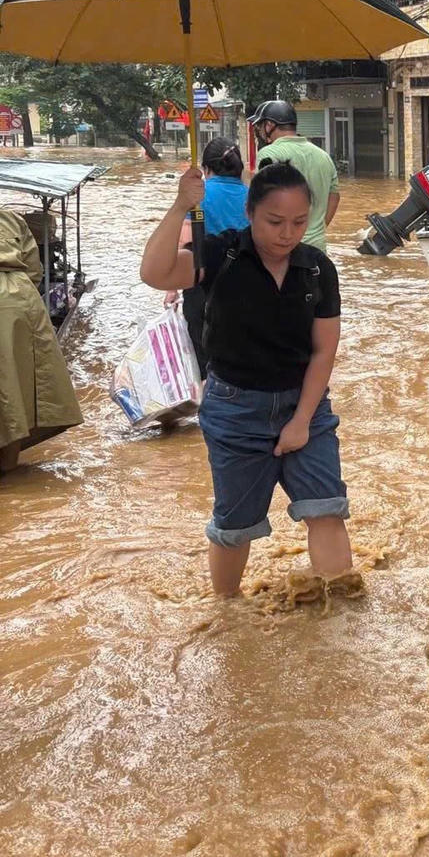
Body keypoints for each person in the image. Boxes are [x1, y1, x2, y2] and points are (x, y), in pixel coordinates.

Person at [139, 161, 351, 598]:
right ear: (251, 213)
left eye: (298, 222)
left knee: (327, 509)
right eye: (275, 221)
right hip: (234, 409)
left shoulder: (316, 269)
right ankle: (228, 616)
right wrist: (181, 205)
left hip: (304, 406)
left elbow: (324, 351)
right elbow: (155, 274)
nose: (287, 233)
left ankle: (343, 623)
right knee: (235, 526)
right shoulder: (221, 255)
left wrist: (302, 422)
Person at [0, 209, 82, 474]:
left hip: (15, 303)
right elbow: (35, 270)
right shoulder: (11, 219)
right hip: (21, 302)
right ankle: (9, 467)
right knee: (19, 389)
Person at [169, 137, 250, 376]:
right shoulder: (255, 196)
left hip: (202, 286)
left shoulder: (197, 198)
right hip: (249, 285)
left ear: (206, 169)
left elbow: (185, 243)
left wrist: (171, 288)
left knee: (204, 358)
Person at [250, 100, 340, 253]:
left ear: (270, 125)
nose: (259, 131)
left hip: (283, 248)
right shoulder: (323, 156)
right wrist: (317, 228)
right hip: (317, 249)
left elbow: (263, 199)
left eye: (260, 126)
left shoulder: (269, 153)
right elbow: (335, 197)